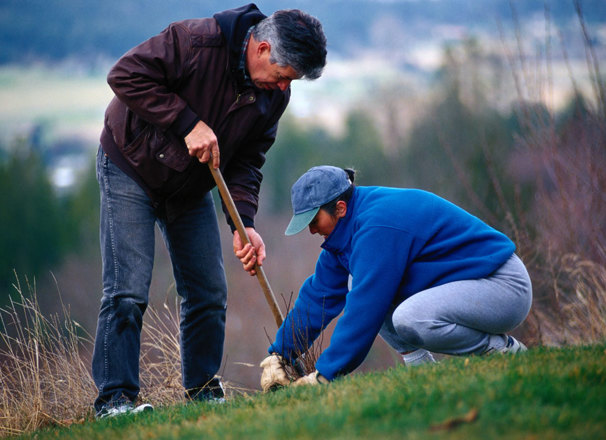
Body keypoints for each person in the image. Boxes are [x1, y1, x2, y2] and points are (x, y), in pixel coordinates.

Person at [92, 4, 327, 418]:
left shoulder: (274, 95)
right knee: (127, 290)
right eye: (285, 74)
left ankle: (201, 390)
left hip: (189, 185)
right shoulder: (196, 41)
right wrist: (187, 123)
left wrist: (244, 223)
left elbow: (248, 159)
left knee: (209, 292)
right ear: (263, 49)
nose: (285, 86)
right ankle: (114, 400)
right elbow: (123, 75)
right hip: (131, 164)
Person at [259, 166, 532, 390]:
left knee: (409, 316)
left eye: (313, 221)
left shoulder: (376, 226)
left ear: (340, 208)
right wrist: (279, 354)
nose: (311, 230)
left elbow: (364, 309)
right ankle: (421, 370)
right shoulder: (347, 229)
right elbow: (319, 295)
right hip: (472, 286)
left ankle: (504, 352)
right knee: (360, 283)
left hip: (503, 285)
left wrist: (324, 375)